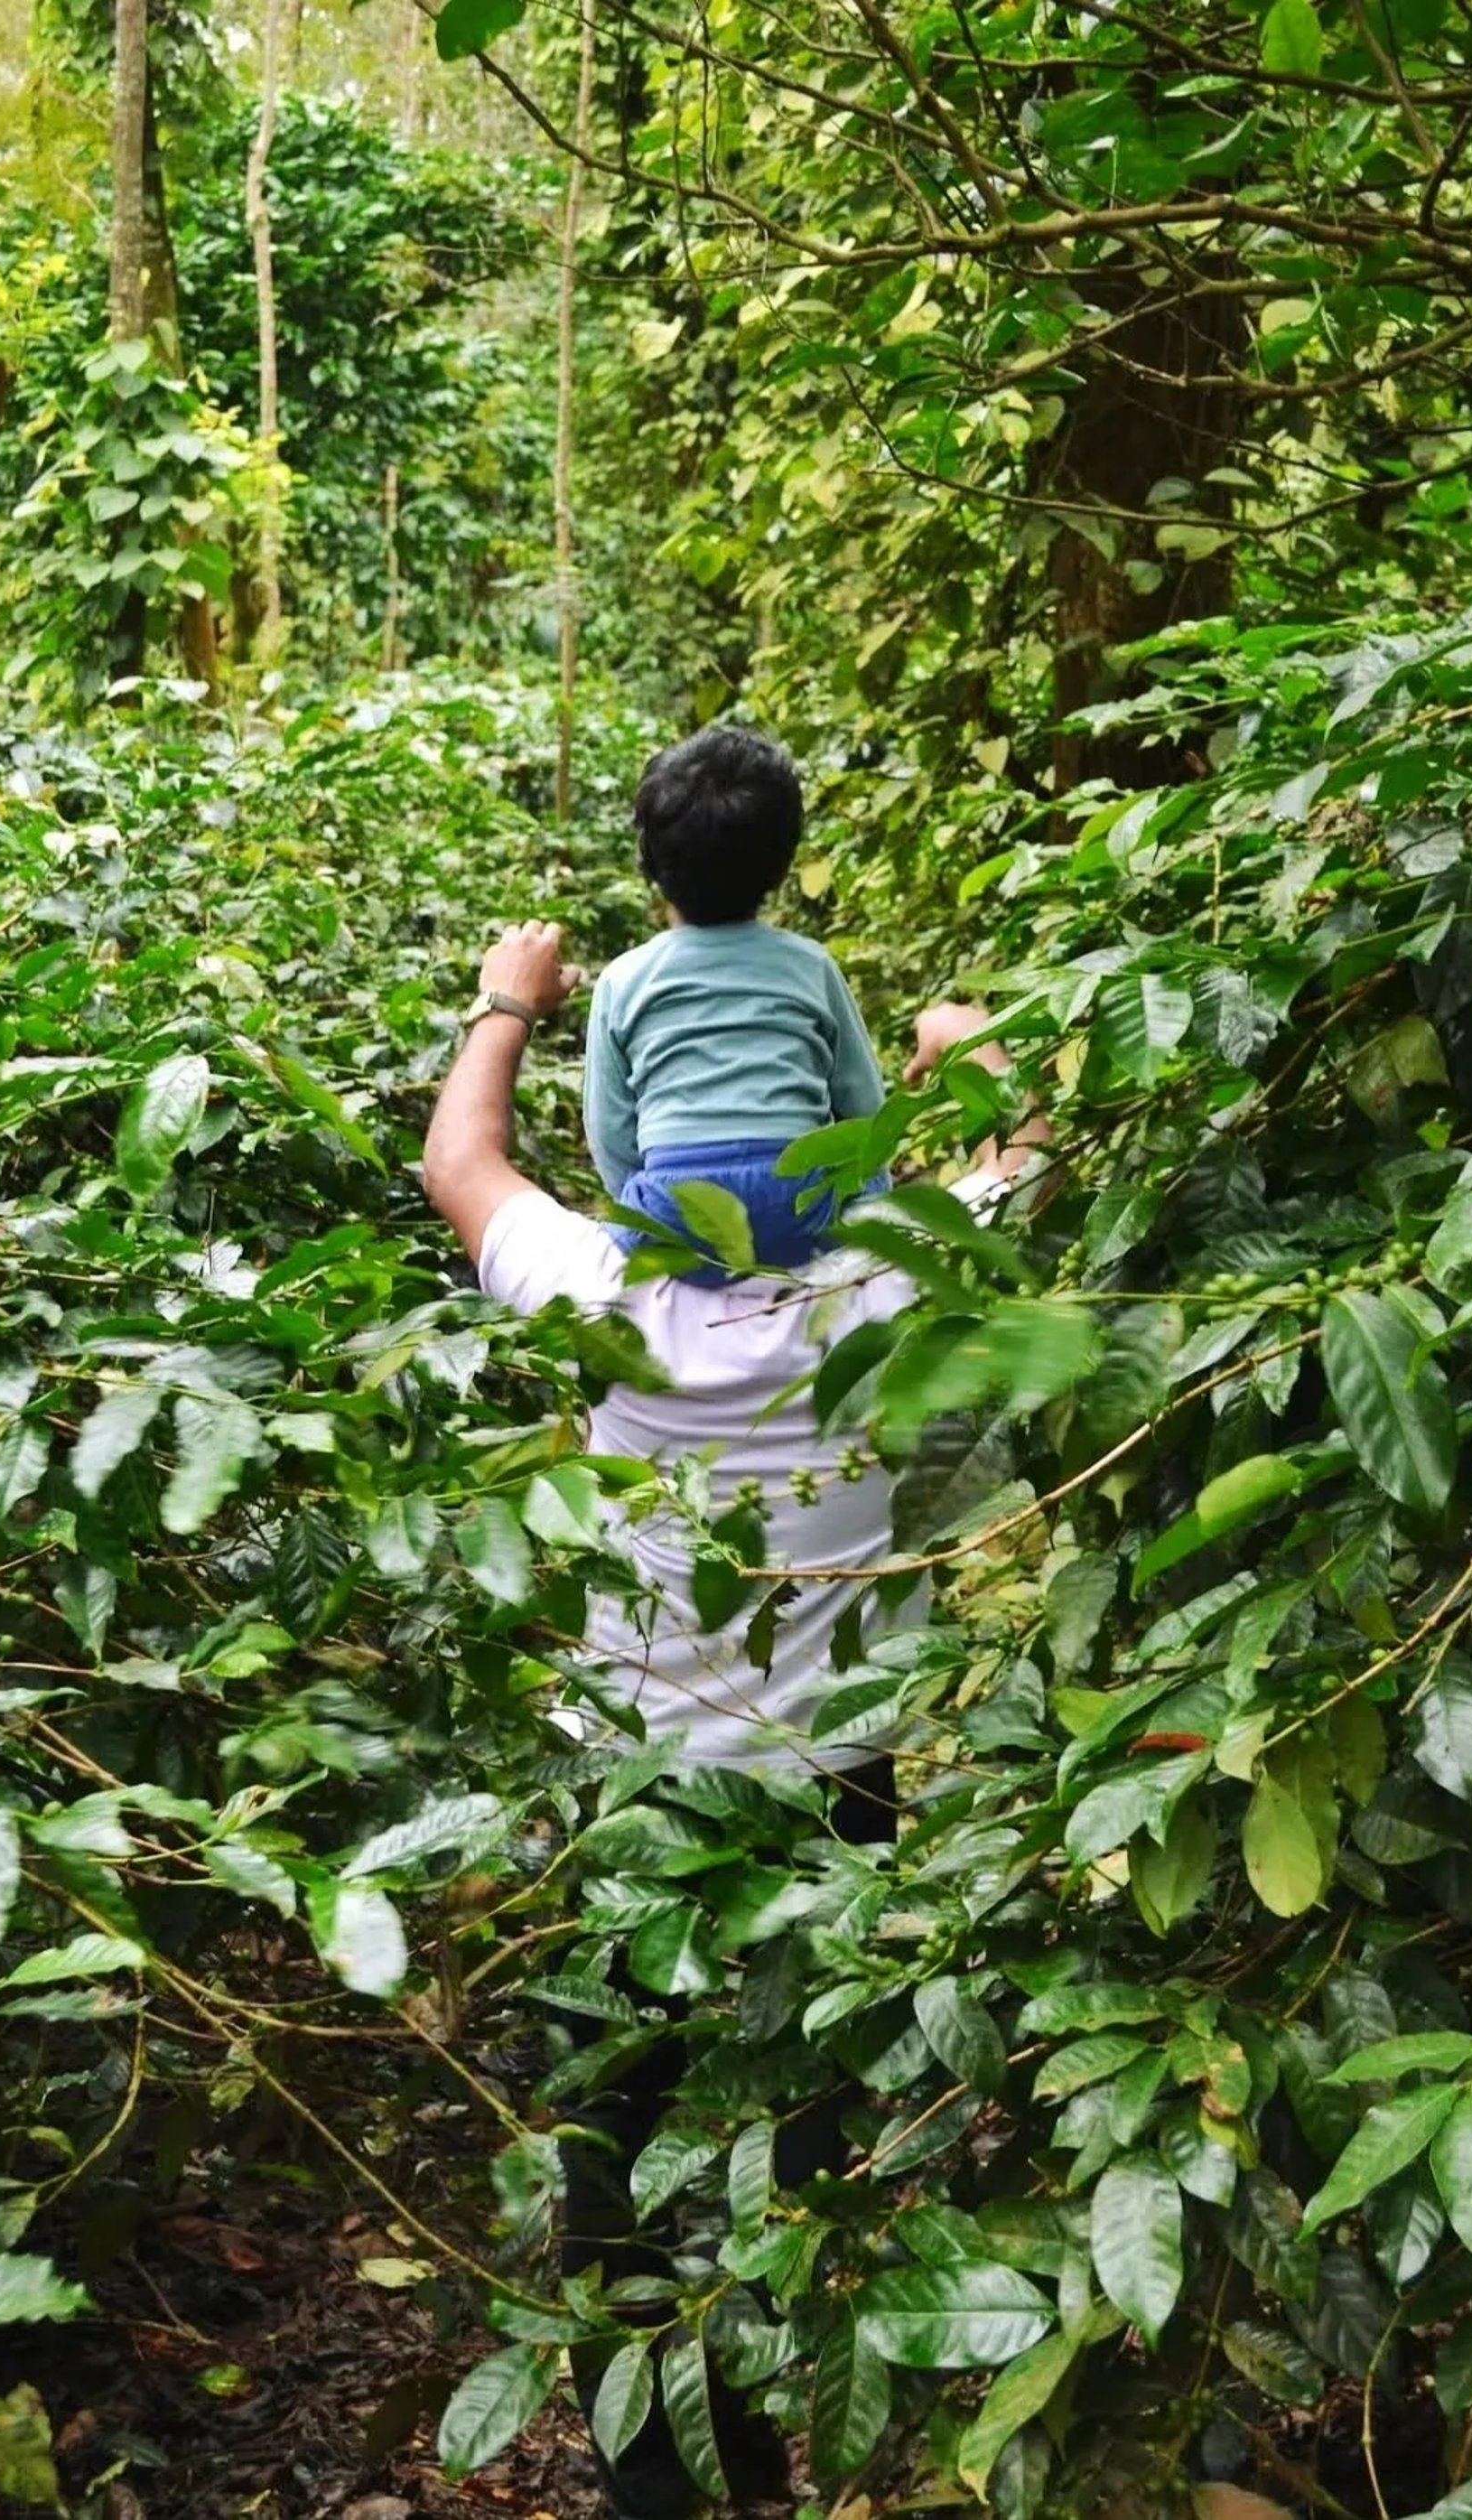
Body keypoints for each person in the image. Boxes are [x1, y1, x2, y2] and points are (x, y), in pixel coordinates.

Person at [423, 925, 1040, 2518]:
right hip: (835, 1786)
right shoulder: (885, 1277)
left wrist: (512, 997)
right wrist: (948, 1037)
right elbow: (1029, 1141)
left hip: (634, 1778)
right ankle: (769, 2421)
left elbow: (462, 1159)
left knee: (613, 2129)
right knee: (809, 2117)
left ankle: (650, 2470)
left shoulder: (596, 1281)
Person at [582, 726, 886, 1275]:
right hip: (802, 1209)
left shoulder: (623, 980)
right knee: (870, 1182)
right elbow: (864, 1108)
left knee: (620, 1207)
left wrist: (649, 1203)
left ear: (651, 863)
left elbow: (611, 1137)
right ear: (782, 863)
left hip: (680, 1218)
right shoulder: (811, 966)